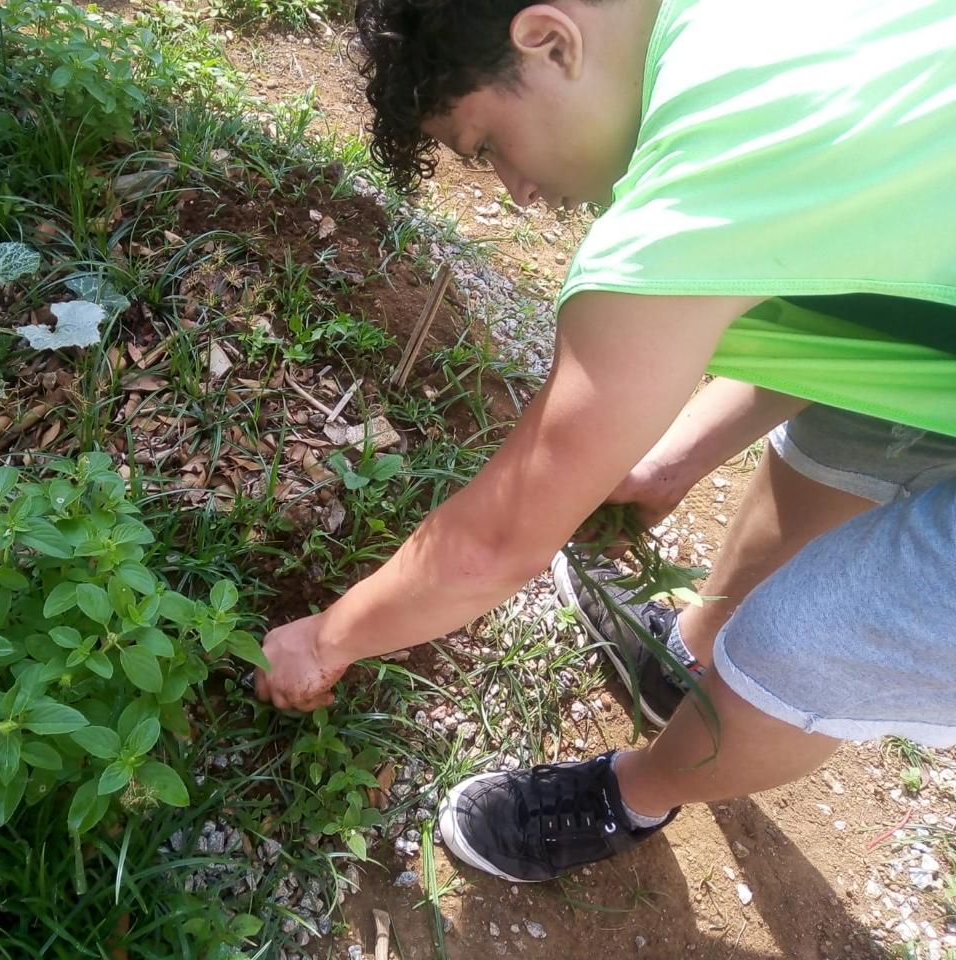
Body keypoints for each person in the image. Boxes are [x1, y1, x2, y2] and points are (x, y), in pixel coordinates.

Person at [254, 0, 956, 884]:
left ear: (550, 39)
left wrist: (325, 640)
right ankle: (691, 664)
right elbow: (863, 298)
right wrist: (676, 459)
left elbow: (493, 544)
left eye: (488, 147)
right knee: (854, 431)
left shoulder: (698, 183)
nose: (513, 187)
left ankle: (636, 791)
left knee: (809, 641)